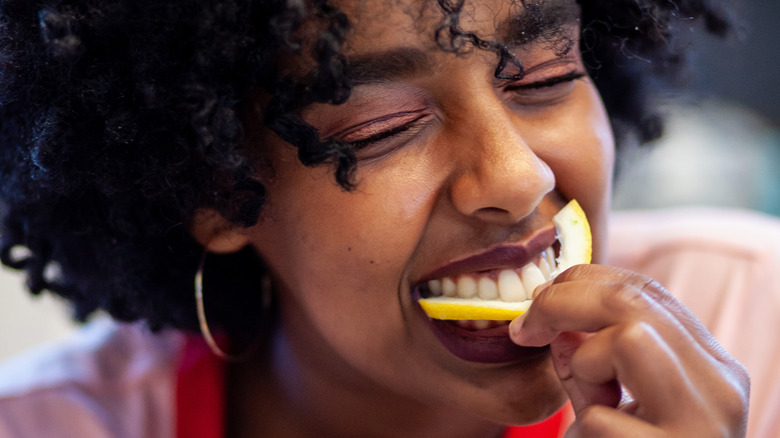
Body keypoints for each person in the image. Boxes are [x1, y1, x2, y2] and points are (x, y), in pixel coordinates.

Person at [0, 0, 759, 437]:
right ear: (214, 187)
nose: (516, 175)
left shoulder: (758, 316)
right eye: (381, 128)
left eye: (548, 75)